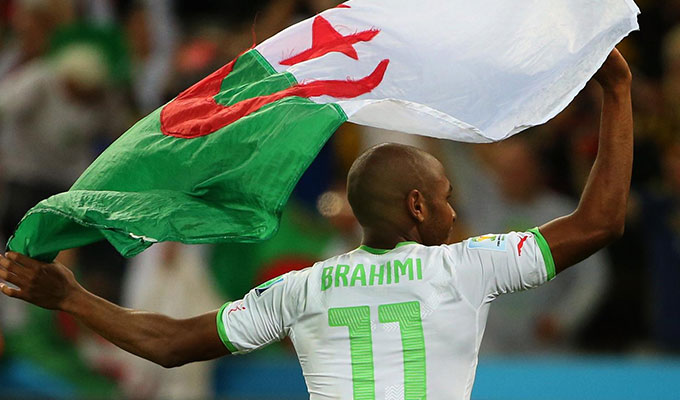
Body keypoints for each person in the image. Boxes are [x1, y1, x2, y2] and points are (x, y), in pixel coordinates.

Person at [0, 49, 633, 399]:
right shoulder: (465, 267)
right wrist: (618, 92)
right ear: (417, 206)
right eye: (445, 197)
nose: (454, 209)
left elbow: (169, 344)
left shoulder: (304, 287)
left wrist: (73, 297)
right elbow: (600, 222)